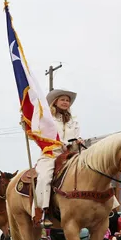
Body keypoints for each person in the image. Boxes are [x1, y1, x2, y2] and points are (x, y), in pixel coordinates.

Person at [35, 89, 82, 227]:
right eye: (62, 100)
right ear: (55, 102)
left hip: (70, 155)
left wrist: (77, 142)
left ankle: (108, 208)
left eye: (67, 100)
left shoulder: (73, 122)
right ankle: (44, 212)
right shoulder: (47, 119)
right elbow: (40, 135)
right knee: (45, 177)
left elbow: (74, 141)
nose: (65, 102)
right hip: (51, 155)